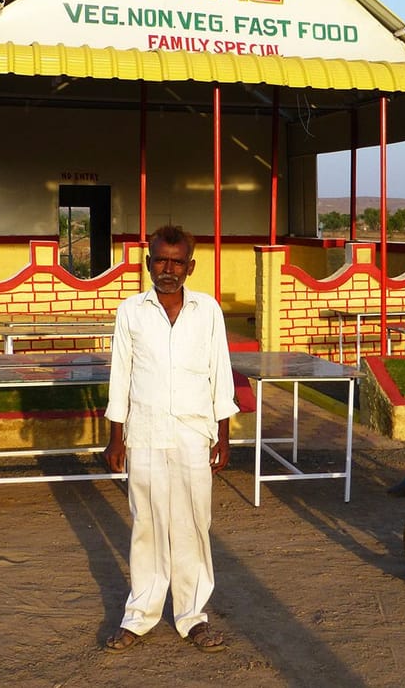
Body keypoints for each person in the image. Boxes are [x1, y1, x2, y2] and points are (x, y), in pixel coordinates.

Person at [102, 224, 236, 654]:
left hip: (194, 434)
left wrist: (223, 436)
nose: (168, 269)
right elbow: (121, 376)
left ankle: (192, 616)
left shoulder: (207, 311)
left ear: (190, 266)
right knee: (147, 524)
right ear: (148, 263)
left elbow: (221, 374)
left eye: (177, 262)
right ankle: (139, 615)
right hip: (144, 433)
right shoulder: (131, 312)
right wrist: (116, 438)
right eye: (161, 260)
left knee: (192, 525)